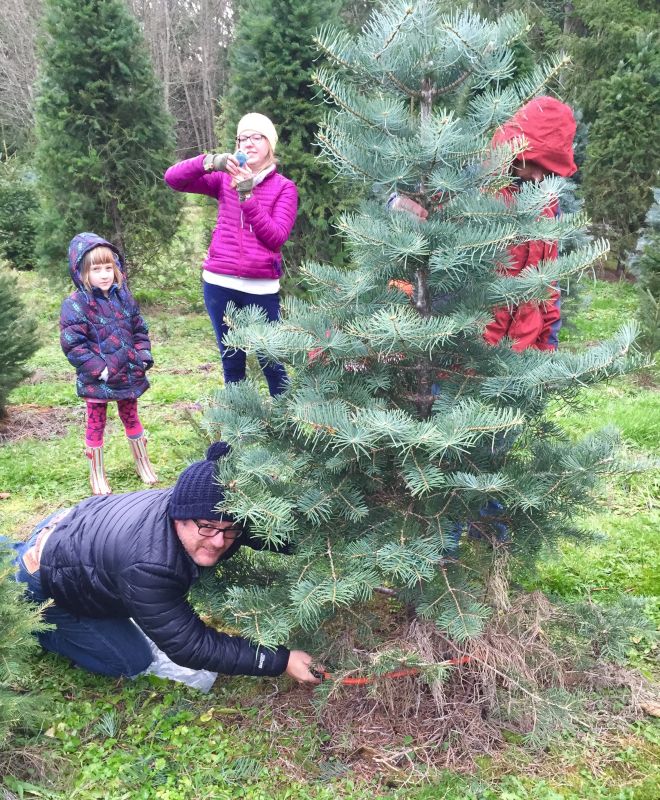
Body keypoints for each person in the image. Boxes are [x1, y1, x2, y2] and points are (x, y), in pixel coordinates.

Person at [7, 443, 319, 690]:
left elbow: (256, 530)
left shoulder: (204, 509)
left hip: (74, 526)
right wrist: (280, 660)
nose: (218, 541)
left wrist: (327, 543)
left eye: (230, 529)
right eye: (208, 528)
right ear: (179, 517)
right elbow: (189, 646)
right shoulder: (149, 564)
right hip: (48, 578)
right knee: (132, 660)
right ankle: (31, 618)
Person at [389, 95, 577, 351]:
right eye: (534, 163)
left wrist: (547, 348)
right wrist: (395, 205)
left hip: (517, 358)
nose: (539, 176)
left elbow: (548, 285)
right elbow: (412, 207)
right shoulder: (468, 183)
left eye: (550, 170)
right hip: (461, 354)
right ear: (515, 146)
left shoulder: (547, 203)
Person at [164, 113, 297, 396]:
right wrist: (209, 161)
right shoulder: (223, 179)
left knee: (271, 361)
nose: (248, 143)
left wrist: (247, 196)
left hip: (260, 290)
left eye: (256, 137)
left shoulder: (284, 188)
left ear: (270, 144)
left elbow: (276, 237)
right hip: (219, 284)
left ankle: (288, 430)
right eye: (243, 137)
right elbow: (173, 179)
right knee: (232, 365)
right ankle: (234, 437)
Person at [60, 233, 158, 496]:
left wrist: (142, 356)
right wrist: (99, 369)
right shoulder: (75, 305)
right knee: (96, 423)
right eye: (96, 269)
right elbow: (73, 344)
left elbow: (139, 329)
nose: (104, 275)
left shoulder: (124, 297)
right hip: (99, 381)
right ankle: (97, 474)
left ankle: (143, 463)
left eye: (108, 268)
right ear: (81, 272)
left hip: (128, 373)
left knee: (132, 417)